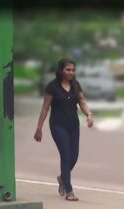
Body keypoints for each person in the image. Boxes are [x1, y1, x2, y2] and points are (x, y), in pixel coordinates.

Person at [33, 58, 94, 201]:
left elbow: (82, 101)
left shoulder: (75, 85)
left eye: (73, 70)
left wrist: (89, 114)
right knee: (66, 155)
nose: (71, 72)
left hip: (73, 124)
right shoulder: (52, 86)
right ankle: (69, 190)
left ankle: (62, 177)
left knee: (74, 156)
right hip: (57, 125)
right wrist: (39, 128)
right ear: (61, 71)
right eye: (68, 70)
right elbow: (45, 108)